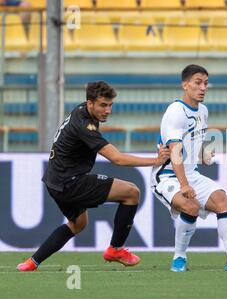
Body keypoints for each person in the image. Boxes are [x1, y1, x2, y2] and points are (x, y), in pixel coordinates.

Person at [17, 81, 170, 272]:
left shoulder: (83, 111)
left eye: (110, 105)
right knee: (131, 192)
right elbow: (118, 159)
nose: (108, 110)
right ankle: (116, 249)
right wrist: (155, 161)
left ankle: (32, 262)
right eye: (103, 105)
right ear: (90, 103)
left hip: (54, 181)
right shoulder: (84, 126)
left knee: (78, 224)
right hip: (70, 181)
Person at [151, 64, 227, 272]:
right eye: (198, 82)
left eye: (206, 83)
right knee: (190, 206)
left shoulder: (203, 111)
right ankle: (179, 258)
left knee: (222, 200)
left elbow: (192, 142)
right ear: (185, 85)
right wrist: (183, 185)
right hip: (167, 176)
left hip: (190, 173)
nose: (203, 88)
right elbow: (175, 151)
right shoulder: (176, 111)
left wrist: (202, 155)